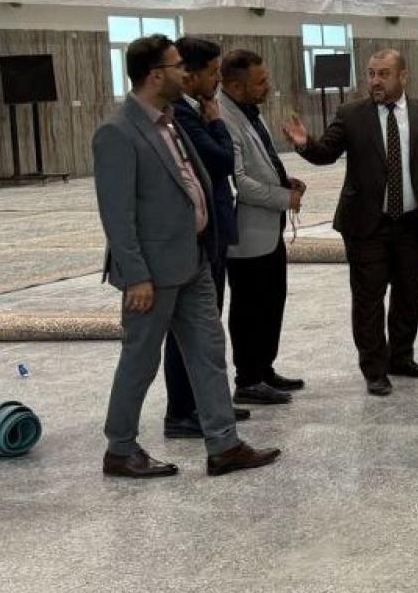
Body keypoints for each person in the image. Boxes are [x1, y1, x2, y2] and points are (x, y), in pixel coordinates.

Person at [92, 35, 280, 478]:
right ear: (156, 75)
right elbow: (117, 215)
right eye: (178, 66)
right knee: (141, 360)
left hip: (193, 260)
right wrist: (136, 276)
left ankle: (224, 444)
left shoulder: (172, 121)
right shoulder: (118, 133)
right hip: (152, 274)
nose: (186, 72)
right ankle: (120, 448)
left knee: (209, 352)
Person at [284, 50, 418, 397]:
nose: (375, 81)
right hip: (366, 225)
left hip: (412, 225)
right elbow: (326, 153)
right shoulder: (351, 114)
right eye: (371, 73)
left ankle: (401, 358)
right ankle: (374, 369)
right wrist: (305, 145)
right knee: (369, 299)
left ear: (402, 76)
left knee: (408, 294)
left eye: (384, 74)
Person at [156, 36, 252, 440]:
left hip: (212, 233)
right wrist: (216, 122)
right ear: (190, 75)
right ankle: (182, 411)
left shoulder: (192, 109)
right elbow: (222, 160)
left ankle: (206, 403)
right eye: (213, 72)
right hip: (199, 237)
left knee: (206, 328)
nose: (218, 80)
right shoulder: (184, 114)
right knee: (190, 331)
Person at [218, 48, 306, 417]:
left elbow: (262, 162)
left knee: (272, 301)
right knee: (249, 307)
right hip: (246, 232)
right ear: (236, 85)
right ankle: (248, 379)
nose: (267, 86)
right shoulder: (224, 118)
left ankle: (264, 369)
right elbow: (238, 182)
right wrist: (284, 197)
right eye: (260, 82)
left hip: (268, 229)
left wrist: (285, 180)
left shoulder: (249, 112)